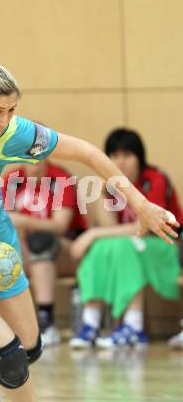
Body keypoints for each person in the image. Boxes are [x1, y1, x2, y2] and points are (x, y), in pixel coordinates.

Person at [0, 61, 179, 402]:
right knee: (9, 355)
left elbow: (87, 152)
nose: (5, 121)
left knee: (29, 347)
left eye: (12, 110)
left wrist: (140, 204)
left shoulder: (13, 133)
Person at [68, 128, 183, 349]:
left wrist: (92, 233)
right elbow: (112, 228)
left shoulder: (154, 179)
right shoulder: (112, 186)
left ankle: (134, 326)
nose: (121, 162)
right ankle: (90, 323)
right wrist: (102, 194)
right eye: (115, 156)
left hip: (164, 243)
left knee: (114, 244)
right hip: (129, 244)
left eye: (127, 155)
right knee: (102, 247)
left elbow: (148, 226)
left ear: (140, 157)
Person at [2, 159, 87, 346]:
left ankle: (46, 319)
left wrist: (22, 221)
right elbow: (4, 223)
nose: (34, 166)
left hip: (65, 250)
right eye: (27, 159)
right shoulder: (12, 180)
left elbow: (60, 225)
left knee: (41, 242)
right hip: (26, 250)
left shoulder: (60, 179)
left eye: (38, 160)